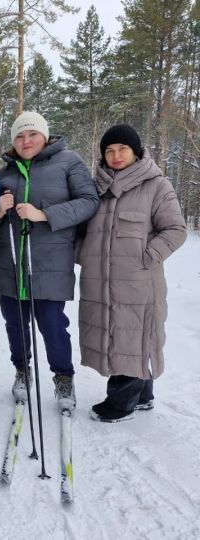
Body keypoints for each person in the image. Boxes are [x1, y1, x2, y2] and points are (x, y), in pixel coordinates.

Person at [77, 124, 186, 422]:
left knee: (133, 337)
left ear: (136, 152)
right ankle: (143, 396)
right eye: (109, 150)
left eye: (122, 149)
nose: (115, 155)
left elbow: (175, 230)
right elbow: (80, 232)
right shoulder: (94, 188)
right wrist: (84, 254)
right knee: (116, 334)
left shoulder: (156, 185)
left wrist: (147, 256)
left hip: (139, 281)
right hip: (101, 281)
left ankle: (121, 403)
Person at [0, 111, 99, 411]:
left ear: (44, 136)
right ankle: (22, 371)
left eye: (32, 135)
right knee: (15, 324)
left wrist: (44, 214)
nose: (26, 141)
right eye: (20, 136)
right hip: (10, 261)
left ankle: (63, 376)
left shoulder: (69, 162)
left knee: (52, 325)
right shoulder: (3, 173)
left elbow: (89, 201)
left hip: (50, 262)